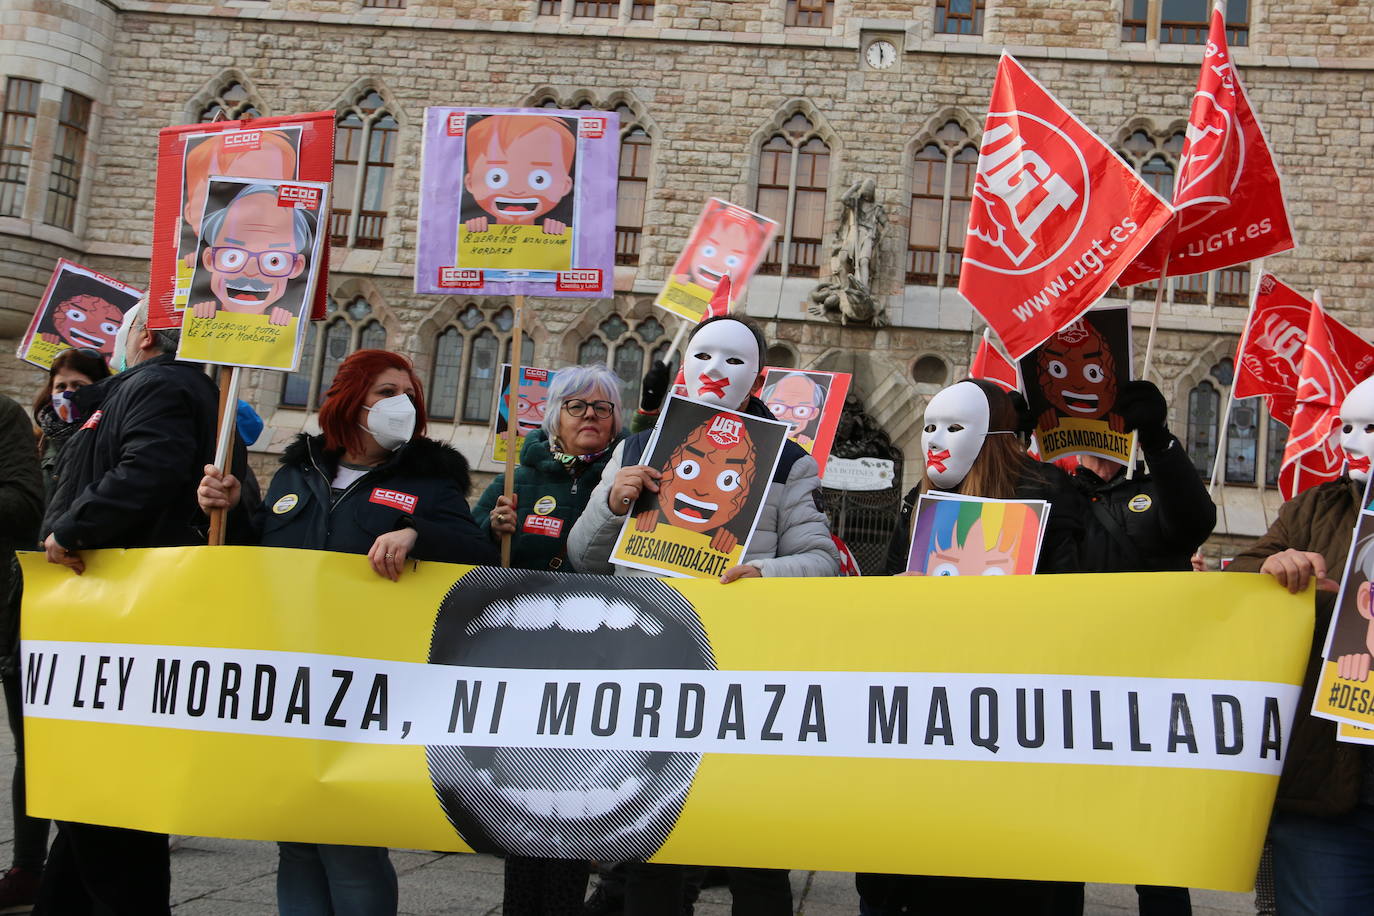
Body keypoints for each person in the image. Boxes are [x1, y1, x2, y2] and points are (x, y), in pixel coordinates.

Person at [197, 348, 495, 916]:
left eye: (408, 393)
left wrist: (418, 535)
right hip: (287, 681)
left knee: (349, 843)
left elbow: (477, 553)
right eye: (386, 391)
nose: (401, 403)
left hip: (364, 689)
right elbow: (258, 553)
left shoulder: (429, 480)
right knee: (296, 844)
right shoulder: (297, 471)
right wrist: (232, 509)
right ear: (350, 398)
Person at [569, 314, 839, 916]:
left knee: (753, 852)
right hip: (650, 665)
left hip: (742, 673)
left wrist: (765, 573)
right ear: (686, 363)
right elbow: (583, 558)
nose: (716, 370)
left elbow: (822, 560)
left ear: (760, 377)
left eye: (734, 360)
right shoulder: (636, 449)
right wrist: (614, 502)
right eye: (704, 355)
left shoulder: (789, 463)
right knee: (651, 851)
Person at [865, 378, 1087, 915]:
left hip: (1014, 717)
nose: (936, 440)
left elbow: (1081, 600)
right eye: (929, 427)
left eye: (954, 428)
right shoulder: (922, 499)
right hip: (930, 708)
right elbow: (896, 580)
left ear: (994, 436)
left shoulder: (1052, 495)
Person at [34, 298, 220, 916]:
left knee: (105, 804)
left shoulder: (159, 384)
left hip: (119, 612)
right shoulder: (153, 386)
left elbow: (152, 465)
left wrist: (73, 529)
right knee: (87, 805)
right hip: (106, 611)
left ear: (145, 340)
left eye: (124, 327)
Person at [472, 364, 625, 914]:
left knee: (573, 806)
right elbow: (465, 553)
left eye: (602, 408)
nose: (590, 417)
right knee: (523, 806)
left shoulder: (630, 474)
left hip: (598, 664)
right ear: (554, 415)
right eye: (577, 406)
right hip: (527, 661)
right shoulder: (520, 477)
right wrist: (492, 530)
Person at [1226, 374, 1374, 916]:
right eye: (1346, 428)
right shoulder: (1315, 509)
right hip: (1329, 789)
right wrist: (1272, 568)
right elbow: (1239, 576)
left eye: (1370, 428)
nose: (1351, 442)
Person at [1068, 379, 1215, 916]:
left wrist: (1158, 436)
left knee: (1157, 861)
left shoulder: (1153, 492)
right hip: (1069, 692)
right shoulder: (1054, 495)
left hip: (1146, 700)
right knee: (1060, 853)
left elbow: (1196, 519)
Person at [0, 394, 43, 912]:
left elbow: (24, 505)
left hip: (8, 610)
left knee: (29, 747)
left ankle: (27, 868)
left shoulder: (4, 417)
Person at [31, 347, 110, 502]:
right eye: (61, 386)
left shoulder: (109, 439)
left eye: (78, 386)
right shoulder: (35, 443)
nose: (68, 393)